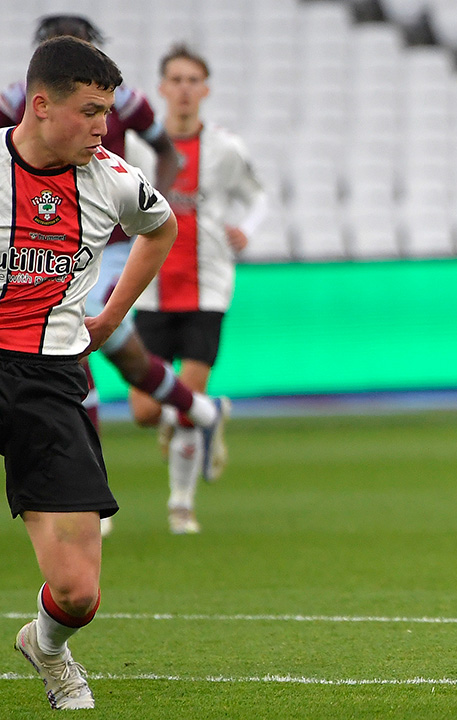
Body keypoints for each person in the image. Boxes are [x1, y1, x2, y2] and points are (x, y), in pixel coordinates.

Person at [1, 15, 231, 537]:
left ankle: (83, 502)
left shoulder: (123, 105)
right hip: (35, 240)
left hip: (104, 243)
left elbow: (166, 151)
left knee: (76, 344)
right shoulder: (17, 96)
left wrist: (158, 195)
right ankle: (197, 408)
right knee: (120, 356)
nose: (101, 121)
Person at [4, 36, 178, 710]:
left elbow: (159, 230)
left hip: (51, 379)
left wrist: (110, 315)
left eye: (109, 110)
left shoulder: (113, 180)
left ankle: (45, 647)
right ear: (41, 106)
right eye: (91, 111)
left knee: (79, 593)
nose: (106, 126)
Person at [128, 44, 265, 535]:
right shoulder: (140, 147)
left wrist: (246, 227)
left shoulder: (225, 147)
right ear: (162, 87)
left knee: (184, 398)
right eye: (176, 80)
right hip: (150, 287)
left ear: (205, 89)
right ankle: (210, 414)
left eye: (193, 80)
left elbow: (257, 195)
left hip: (207, 287)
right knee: (146, 411)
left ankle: (180, 504)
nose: (184, 89)